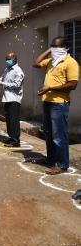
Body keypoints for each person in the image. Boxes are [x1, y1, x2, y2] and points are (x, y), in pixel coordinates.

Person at [33, 36, 79, 175]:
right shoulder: (52, 61)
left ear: (64, 47)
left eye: (56, 46)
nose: (53, 49)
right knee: (48, 133)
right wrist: (49, 50)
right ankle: (51, 160)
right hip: (47, 102)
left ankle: (62, 164)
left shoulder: (70, 62)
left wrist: (50, 88)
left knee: (59, 136)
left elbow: (73, 84)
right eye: (51, 46)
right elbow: (36, 63)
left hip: (59, 103)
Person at [0, 52, 24, 147]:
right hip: (6, 98)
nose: (7, 61)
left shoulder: (18, 71)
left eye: (9, 59)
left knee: (14, 120)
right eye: (6, 59)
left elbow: (16, 85)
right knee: (9, 119)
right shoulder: (7, 69)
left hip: (14, 98)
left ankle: (16, 141)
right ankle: (11, 137)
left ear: (14, 59)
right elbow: (2, 78)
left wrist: (3, 84)